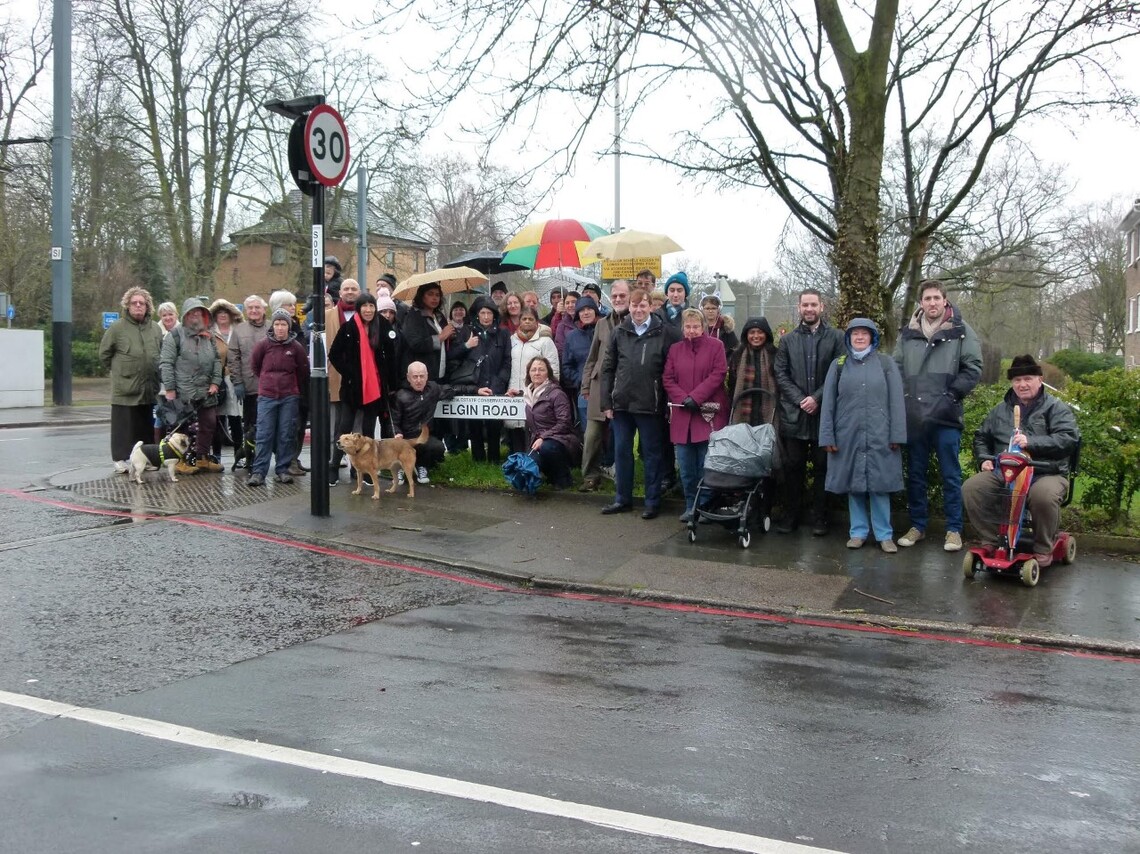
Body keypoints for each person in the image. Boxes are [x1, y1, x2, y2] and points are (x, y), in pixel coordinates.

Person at [962, 355, 1080, 568]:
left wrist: (1031, 442)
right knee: (973, 487)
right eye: (1017, 380)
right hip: (1006, 473)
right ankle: (992, 540)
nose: (1022, 384)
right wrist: (983, 460)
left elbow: (1067, 439)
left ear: (1039, 379)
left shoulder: (1056, 408)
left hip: (1046, 472)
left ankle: (1043, 547)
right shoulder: (1000, 410)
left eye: (1028, 378)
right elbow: (981, 437)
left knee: (1043, 495)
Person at [894, 280, 983, 553]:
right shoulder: (907, 334)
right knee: (916, 474)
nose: (932, 303)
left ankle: (954, 529)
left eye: (936, 298)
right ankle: (918, 526)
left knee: (950, 475)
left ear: (945, 301)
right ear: (920, 303)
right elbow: (896, 368)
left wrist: (951, 396)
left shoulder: (962, 331)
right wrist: (905, 399)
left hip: (946, 415)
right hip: (916, 417)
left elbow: (973, 369)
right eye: (927, 298)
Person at [819, 318, 907, 552]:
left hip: (880, 434)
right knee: (854, 484)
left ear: (872, 338)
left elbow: (897, 402)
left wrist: (897, 434)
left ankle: (884, 535)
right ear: (848, 338)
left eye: (864, 334)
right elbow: (828, 404)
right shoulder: (838, 365)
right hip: (847, 435)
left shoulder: (886, 363)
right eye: (854, 334)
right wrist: (827, 437)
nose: (859, 337)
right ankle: (857, 532)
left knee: (880, 485)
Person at [600, 287, 682, 519]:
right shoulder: (619, 332)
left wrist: (667, 402)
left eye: (642, 305)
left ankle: (652, 501)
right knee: (622, 453)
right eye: (634, 306)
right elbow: (608, 368)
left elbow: (672, 368)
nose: (638, 310)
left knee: (652, 455)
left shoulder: (664, 332)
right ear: (630, 307)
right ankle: (622, 499)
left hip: (650, 405)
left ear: (650, 307)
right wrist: (607, 402)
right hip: (622, 404)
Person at [773, 288, 845, 535]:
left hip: (825, 415)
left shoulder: (837, 338)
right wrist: (801, 399)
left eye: (814, 304)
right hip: (795, 415)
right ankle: (791, 516)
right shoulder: (788, 340)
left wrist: (817, 398)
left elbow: (839, 372)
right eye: (805, 305)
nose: (809, 309)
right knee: (794, 468)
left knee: (823, 468)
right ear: (799, 308)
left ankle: (820, 519)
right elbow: (780, 374)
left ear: (821, 307)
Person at [663, 308, 729, 522]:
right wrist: (683, 399)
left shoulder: (716, 347)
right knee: (686, 466)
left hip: (708, 413)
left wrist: (696, 397)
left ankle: (706, 506)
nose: (691, 331)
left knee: (706, 465)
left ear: (703, 327)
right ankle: (691, 505)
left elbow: (718, 374)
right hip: (683, 415)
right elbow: (668, 378)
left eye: (696, 326)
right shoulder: (675, 349)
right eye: (688, 327)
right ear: (683, 328)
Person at [327, 293, 400, 485]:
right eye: (364, 306)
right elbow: (334, 354)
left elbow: (391, 357)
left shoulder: (382, 326)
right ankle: (333, 467)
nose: (368, 310)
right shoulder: (348, 328)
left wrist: (392, 385)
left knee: (367, 432)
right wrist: (350, 373)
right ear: (359, 308)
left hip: (375, 388)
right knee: (344, 429)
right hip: (352, 388)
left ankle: (362, 470)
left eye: (371, 306)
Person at [99, 287, 163, 473]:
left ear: (147, 306)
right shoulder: (117, 328)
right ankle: (120, 459)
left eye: (141, 303)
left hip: (149, 387)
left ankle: (148, 459)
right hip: (125, 388)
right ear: (127, 306)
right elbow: (104, 354)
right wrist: (119, 371)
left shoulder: (155, 329)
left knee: (145, 426)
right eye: (134, 303)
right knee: (123, 427)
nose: (137, 306)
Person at [159, 297, 224, 475]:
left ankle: (202, 458)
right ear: (186, 315)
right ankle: (180, 461)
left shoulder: (208, 336)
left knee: (209, 423)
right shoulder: (175, 335)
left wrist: (215, 382)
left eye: (199, 313)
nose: (196, 316)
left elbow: (217, 361)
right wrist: (170, 389)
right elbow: (166, 363)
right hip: (183, 391)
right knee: (183, 428)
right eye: (192, 313)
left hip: (206, 390)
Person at [248, 309, 309, 486]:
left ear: (288, 327)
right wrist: (268, 381)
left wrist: (291, 386)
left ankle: (282, 469)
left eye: (283, 324)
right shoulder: (263, 345)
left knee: (286, 434)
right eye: (277, 324)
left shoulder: (296, 347)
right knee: (264, 434)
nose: (280, 328)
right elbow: (255, 365)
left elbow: (303, 370)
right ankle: (259, 471)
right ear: (272, 326)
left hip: (289, 396)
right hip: (267, 396)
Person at [579, 280, 629, 491]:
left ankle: (622, 476)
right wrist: (585, 386)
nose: (617, 299)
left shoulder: (635, 323)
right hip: (599, 386)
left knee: (622, 436)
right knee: (592, 436)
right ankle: (590, 475)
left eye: (622, 296)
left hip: (625, 387)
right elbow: (591, 359)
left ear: (629, 297)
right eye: (614, 296)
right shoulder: (601, 324)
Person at [391, 361, 477, 484]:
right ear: (408, 377)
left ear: (427, 376)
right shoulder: (400, 396)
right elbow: (393, 421)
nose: (419, 380)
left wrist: (476, 390)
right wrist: (397, 433)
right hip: (405, 438)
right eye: (415, 377)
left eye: (422, 376)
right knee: (397, 445)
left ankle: (422, 466)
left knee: (438, 447)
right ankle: (400, 468)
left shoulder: (433, 389)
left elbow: (454, 389)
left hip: (423, 436)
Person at [459, 295, 511, 463]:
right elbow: (456, 356)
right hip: (475, 385)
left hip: (495, 385)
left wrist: (499, 382)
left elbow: (507, 360)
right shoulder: (467, 331)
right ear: (477, 315)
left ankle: (494, 460)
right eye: (483, 313)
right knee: (474, 425)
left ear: (494, 315)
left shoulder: (503, 334)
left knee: (494, 425)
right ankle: (478, 460)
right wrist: (466, 345)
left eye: (489, 313)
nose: (486, 317)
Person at [506, 306, 560, 452]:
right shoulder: (512, 340)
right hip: (514, 391)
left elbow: (553, 368)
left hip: (536, 393)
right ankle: (516, 459)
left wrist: (548, 391)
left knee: (532, 427)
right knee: (515, 428)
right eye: (524, 319)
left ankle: (532, 459)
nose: (527, 322)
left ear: (537, 322)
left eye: (531, 319)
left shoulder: (545, 342)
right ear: (519, 322)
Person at [523, 356, 581, 490]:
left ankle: (564, 479)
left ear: (548, 373)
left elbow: (564, 422)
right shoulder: (528, 394)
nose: (537, 373)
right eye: (533, 370)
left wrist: (544, 437)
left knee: (547, 448)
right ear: (529, 373)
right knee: (528, 465)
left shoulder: (557, 394)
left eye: (541, 370)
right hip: (540, 441)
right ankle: (551, 476)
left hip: (562, 440)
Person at [229, 295, 269, 471]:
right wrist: (237, 382)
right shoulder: (239, 330)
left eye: (257, 307)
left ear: (263, 309)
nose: (254, 311)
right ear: (246, 311)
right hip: (249, 387)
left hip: (270, 386)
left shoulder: (272, 327)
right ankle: (250, 458)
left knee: (269, 425)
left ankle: (266, 458)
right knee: (250, 426)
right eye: (250, 308)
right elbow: (233, 357)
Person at [209, 299, 245, 471]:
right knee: (217, 420)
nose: (222, 316)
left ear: (231, 315)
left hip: (235, 380)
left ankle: (240, 454)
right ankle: (216, 456)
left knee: (236, 419)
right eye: (219, 313)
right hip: (216, 380)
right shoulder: (209, 333)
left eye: (226, 312)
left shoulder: (238, 331)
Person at [729, 317, 779, 428]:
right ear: (746, 335)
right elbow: (732, 387)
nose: (756, 336)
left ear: (766, 334)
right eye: (752, 332)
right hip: (743, 411)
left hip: (769, 410)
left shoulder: (775, 355)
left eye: (760, 332)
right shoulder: (737, 355)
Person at [401, 282, 456, 382]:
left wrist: (450, 334)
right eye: (430, 294)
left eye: (437, 295)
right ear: (422, 296)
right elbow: (416, 344)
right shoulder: (413, 316)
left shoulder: (439, 316)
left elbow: (447, 336)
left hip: (441, 369)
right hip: (422, 373)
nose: (434, 298)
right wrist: (441, 337)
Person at [562, 296, 599, 428]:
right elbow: (566, 365)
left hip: (605, 390)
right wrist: (580, 380)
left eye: (589, 308)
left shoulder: (605, 331)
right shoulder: (572, 337)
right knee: (588, 431)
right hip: (584, 392)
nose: (586, 312)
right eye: (582, 310)